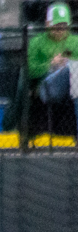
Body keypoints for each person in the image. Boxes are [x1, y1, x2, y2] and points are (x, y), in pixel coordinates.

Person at [29, 3, 78, 134]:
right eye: (57, 26)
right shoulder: (37, 42)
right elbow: (30, 70)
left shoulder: (75, 41)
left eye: (64, 26)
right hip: (48, 87)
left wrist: (69, 62)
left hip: (74, 86)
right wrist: (50, 64)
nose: (61, 30)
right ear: (47, 23)